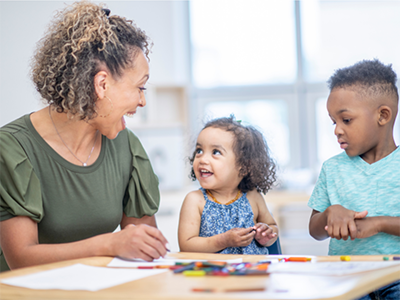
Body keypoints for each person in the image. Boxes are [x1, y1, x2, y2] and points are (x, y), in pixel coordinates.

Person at [0, 1, 169, 272]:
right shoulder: (13, 148)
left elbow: (145, 247)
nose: (142, 101)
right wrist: (108, 244)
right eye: (140, 87)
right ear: (102, 85)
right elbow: (21, 257)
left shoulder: (126, 146)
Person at [308, 59, 400, 299]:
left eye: (346, 120)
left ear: (383, 115)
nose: (337, 130)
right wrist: (329, 214)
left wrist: (378, 223)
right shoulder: (332, 169)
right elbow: (315, 230)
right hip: (345, 276)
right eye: (333, 122)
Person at [178, 116, 279, 254]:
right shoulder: (195, 200)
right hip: (212, 273)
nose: (203, 159)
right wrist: (224, 240)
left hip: (253, 272)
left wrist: (266, 235)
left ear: (243, 166)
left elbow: (272, 227)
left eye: (216, 152)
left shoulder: (253, 196)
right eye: (199, 151)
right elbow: (186, 245)